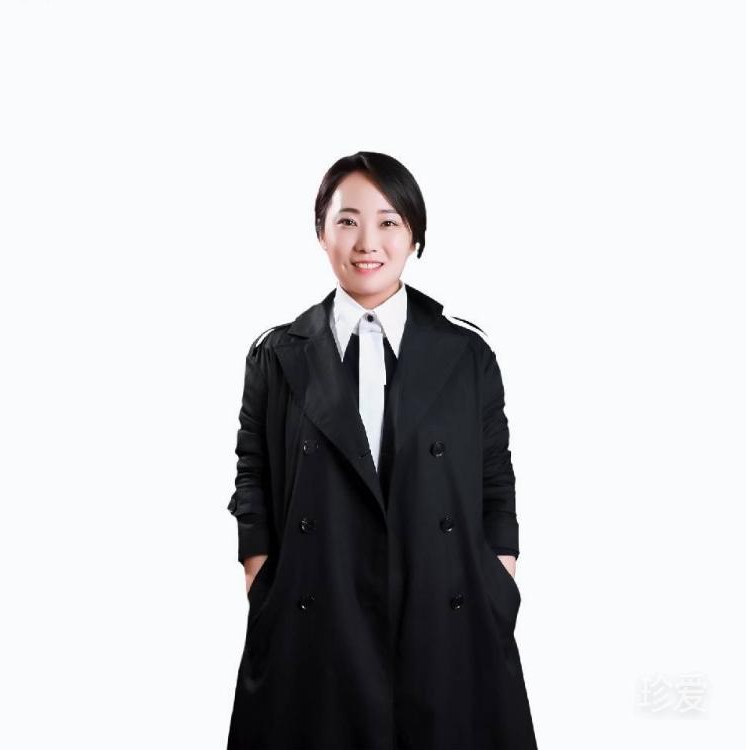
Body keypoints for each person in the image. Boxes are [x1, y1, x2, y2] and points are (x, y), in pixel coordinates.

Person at [226, 151, 538, 749]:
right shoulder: (277, 355)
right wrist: (259, 574)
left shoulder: (467, 353)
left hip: (446, 610)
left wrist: (500, 575)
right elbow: (253, 474)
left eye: (388, 221)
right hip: (316, 612)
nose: (367, 242)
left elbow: (495, 478)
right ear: (321, 232)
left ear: (414, 233)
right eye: (347, 221)